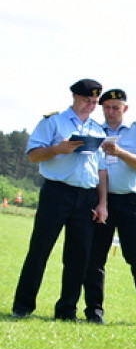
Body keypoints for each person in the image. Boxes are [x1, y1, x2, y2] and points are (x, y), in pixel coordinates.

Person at [12, 79, 109, 320]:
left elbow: (101, 170)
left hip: (86, 196)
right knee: (40, 249)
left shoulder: (98, 130)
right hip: (57, 192)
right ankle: (23, 306)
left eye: (95, 102)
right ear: (74, 97)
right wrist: (57, 149)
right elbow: (34, 155)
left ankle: (67, 311)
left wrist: (102, 202)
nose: (91, 105)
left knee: (78, 256)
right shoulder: (53, 122)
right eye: (87, 100)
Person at [83, 89, 136, 324]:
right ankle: (94, 312)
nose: (110, 112)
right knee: (95, 258)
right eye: (106, 107)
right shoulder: (95, 131)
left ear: (125, 109)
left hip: (130, 201)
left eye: (115, 107)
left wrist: (119, 152)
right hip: (102, 200)